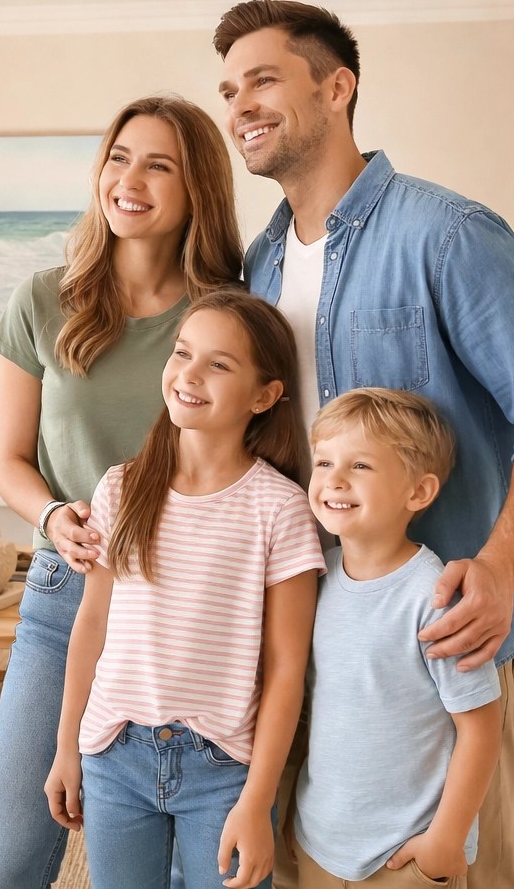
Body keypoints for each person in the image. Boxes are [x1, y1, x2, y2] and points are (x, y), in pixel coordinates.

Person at [210, 0, 514, 889]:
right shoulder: (262, 261)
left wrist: (502, 567)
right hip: (311, 618)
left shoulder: (448, 233)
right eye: (230, 89)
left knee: (454, 869)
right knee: (310, 854)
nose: (240, 104)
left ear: (338, 87)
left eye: (265, 79)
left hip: (434, 638)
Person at [0, 94, 245, 888]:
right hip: (65, 600)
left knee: (159, 869)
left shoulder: (226, 313)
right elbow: (11, 461)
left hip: (188, 616)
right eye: (120, 158)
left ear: (197, 188)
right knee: (14, 856)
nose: (131, 179)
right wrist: (54, 514)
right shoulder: (42, 299)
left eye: (159, 164)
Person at [44, 289, 323, 889]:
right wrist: (68, 746)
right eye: (182, 353)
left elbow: (285, 668)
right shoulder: (121, 487)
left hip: (222, 769)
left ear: (265, 395)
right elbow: (91, 627)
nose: (189, 374)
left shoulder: (280, 509)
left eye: (219, 364)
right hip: (114, 754)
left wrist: (257, 799)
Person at [293, 388, 502, 889]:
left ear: (419, 492)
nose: (334, 480)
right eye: (323, 462)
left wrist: (445, 842)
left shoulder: (436, 598)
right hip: (318, 844)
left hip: (406, 856)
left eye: (360, 466)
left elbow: (481, 729)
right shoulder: (317, 578)